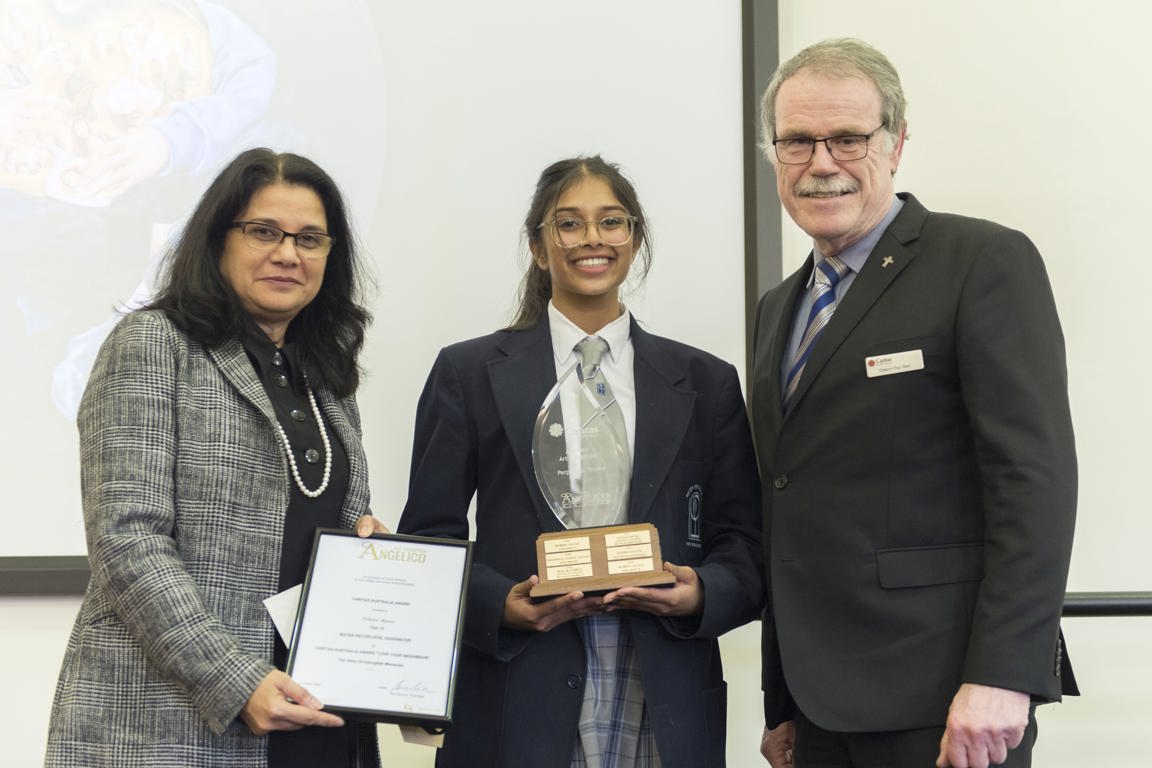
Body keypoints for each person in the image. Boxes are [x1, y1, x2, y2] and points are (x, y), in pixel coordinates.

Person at [750, 38, 1077, 768]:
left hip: (946, 703)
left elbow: (1033, 483)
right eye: (798, 141)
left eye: (848, 138)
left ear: (896, 143)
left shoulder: (982, 263)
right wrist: (783, 700)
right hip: (818, 711)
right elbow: (790, 503)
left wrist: (1004, 675)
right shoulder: (778, 309)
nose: (821, 162)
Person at [397, 155, 763, 768]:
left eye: (611, 221)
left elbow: (746, 544)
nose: (592, 239)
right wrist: (500, 605)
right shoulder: (467, 373)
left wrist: (700, 592)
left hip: (664, 683)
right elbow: (427, 540)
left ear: (635, 239)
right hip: (521, 683)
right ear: (539, 248)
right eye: (568, 224)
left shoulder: (705, 382)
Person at [45, 148, 384, 767]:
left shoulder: (327, 375)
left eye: (310, 238)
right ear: (217, 239)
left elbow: (323, 522)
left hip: (315, 716)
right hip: (173, 724)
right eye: (264, 232)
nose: (288, 253)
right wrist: (234, 680)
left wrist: (370, 555)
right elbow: (127, 540)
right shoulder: (154, 344)